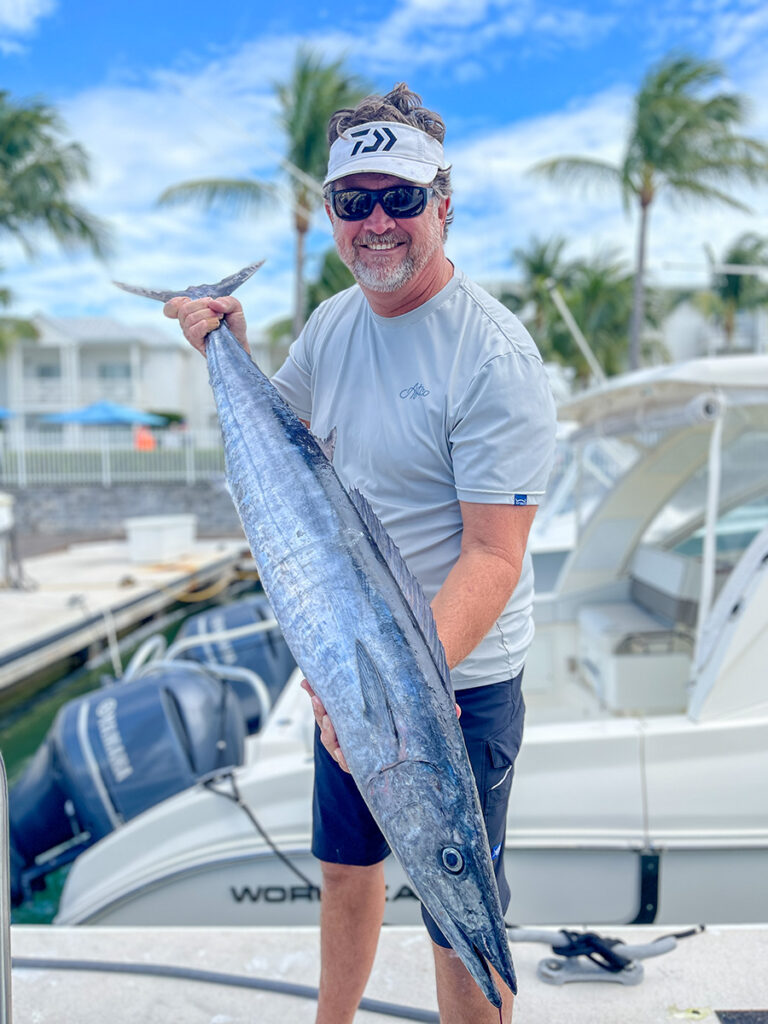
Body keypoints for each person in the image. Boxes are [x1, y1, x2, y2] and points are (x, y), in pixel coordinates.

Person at [165, 83, 557, 1024]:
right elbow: (286, 446)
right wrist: (230, 347)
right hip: (352, 673)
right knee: (346, 872)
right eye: (355, 202)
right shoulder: (335, 324)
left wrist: (386, 700)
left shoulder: (494, 359)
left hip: (453, 682)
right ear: (336, 215)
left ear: (445, 206)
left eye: (402, 199)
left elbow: (493, 559)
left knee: (456, 907)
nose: (377, 223)